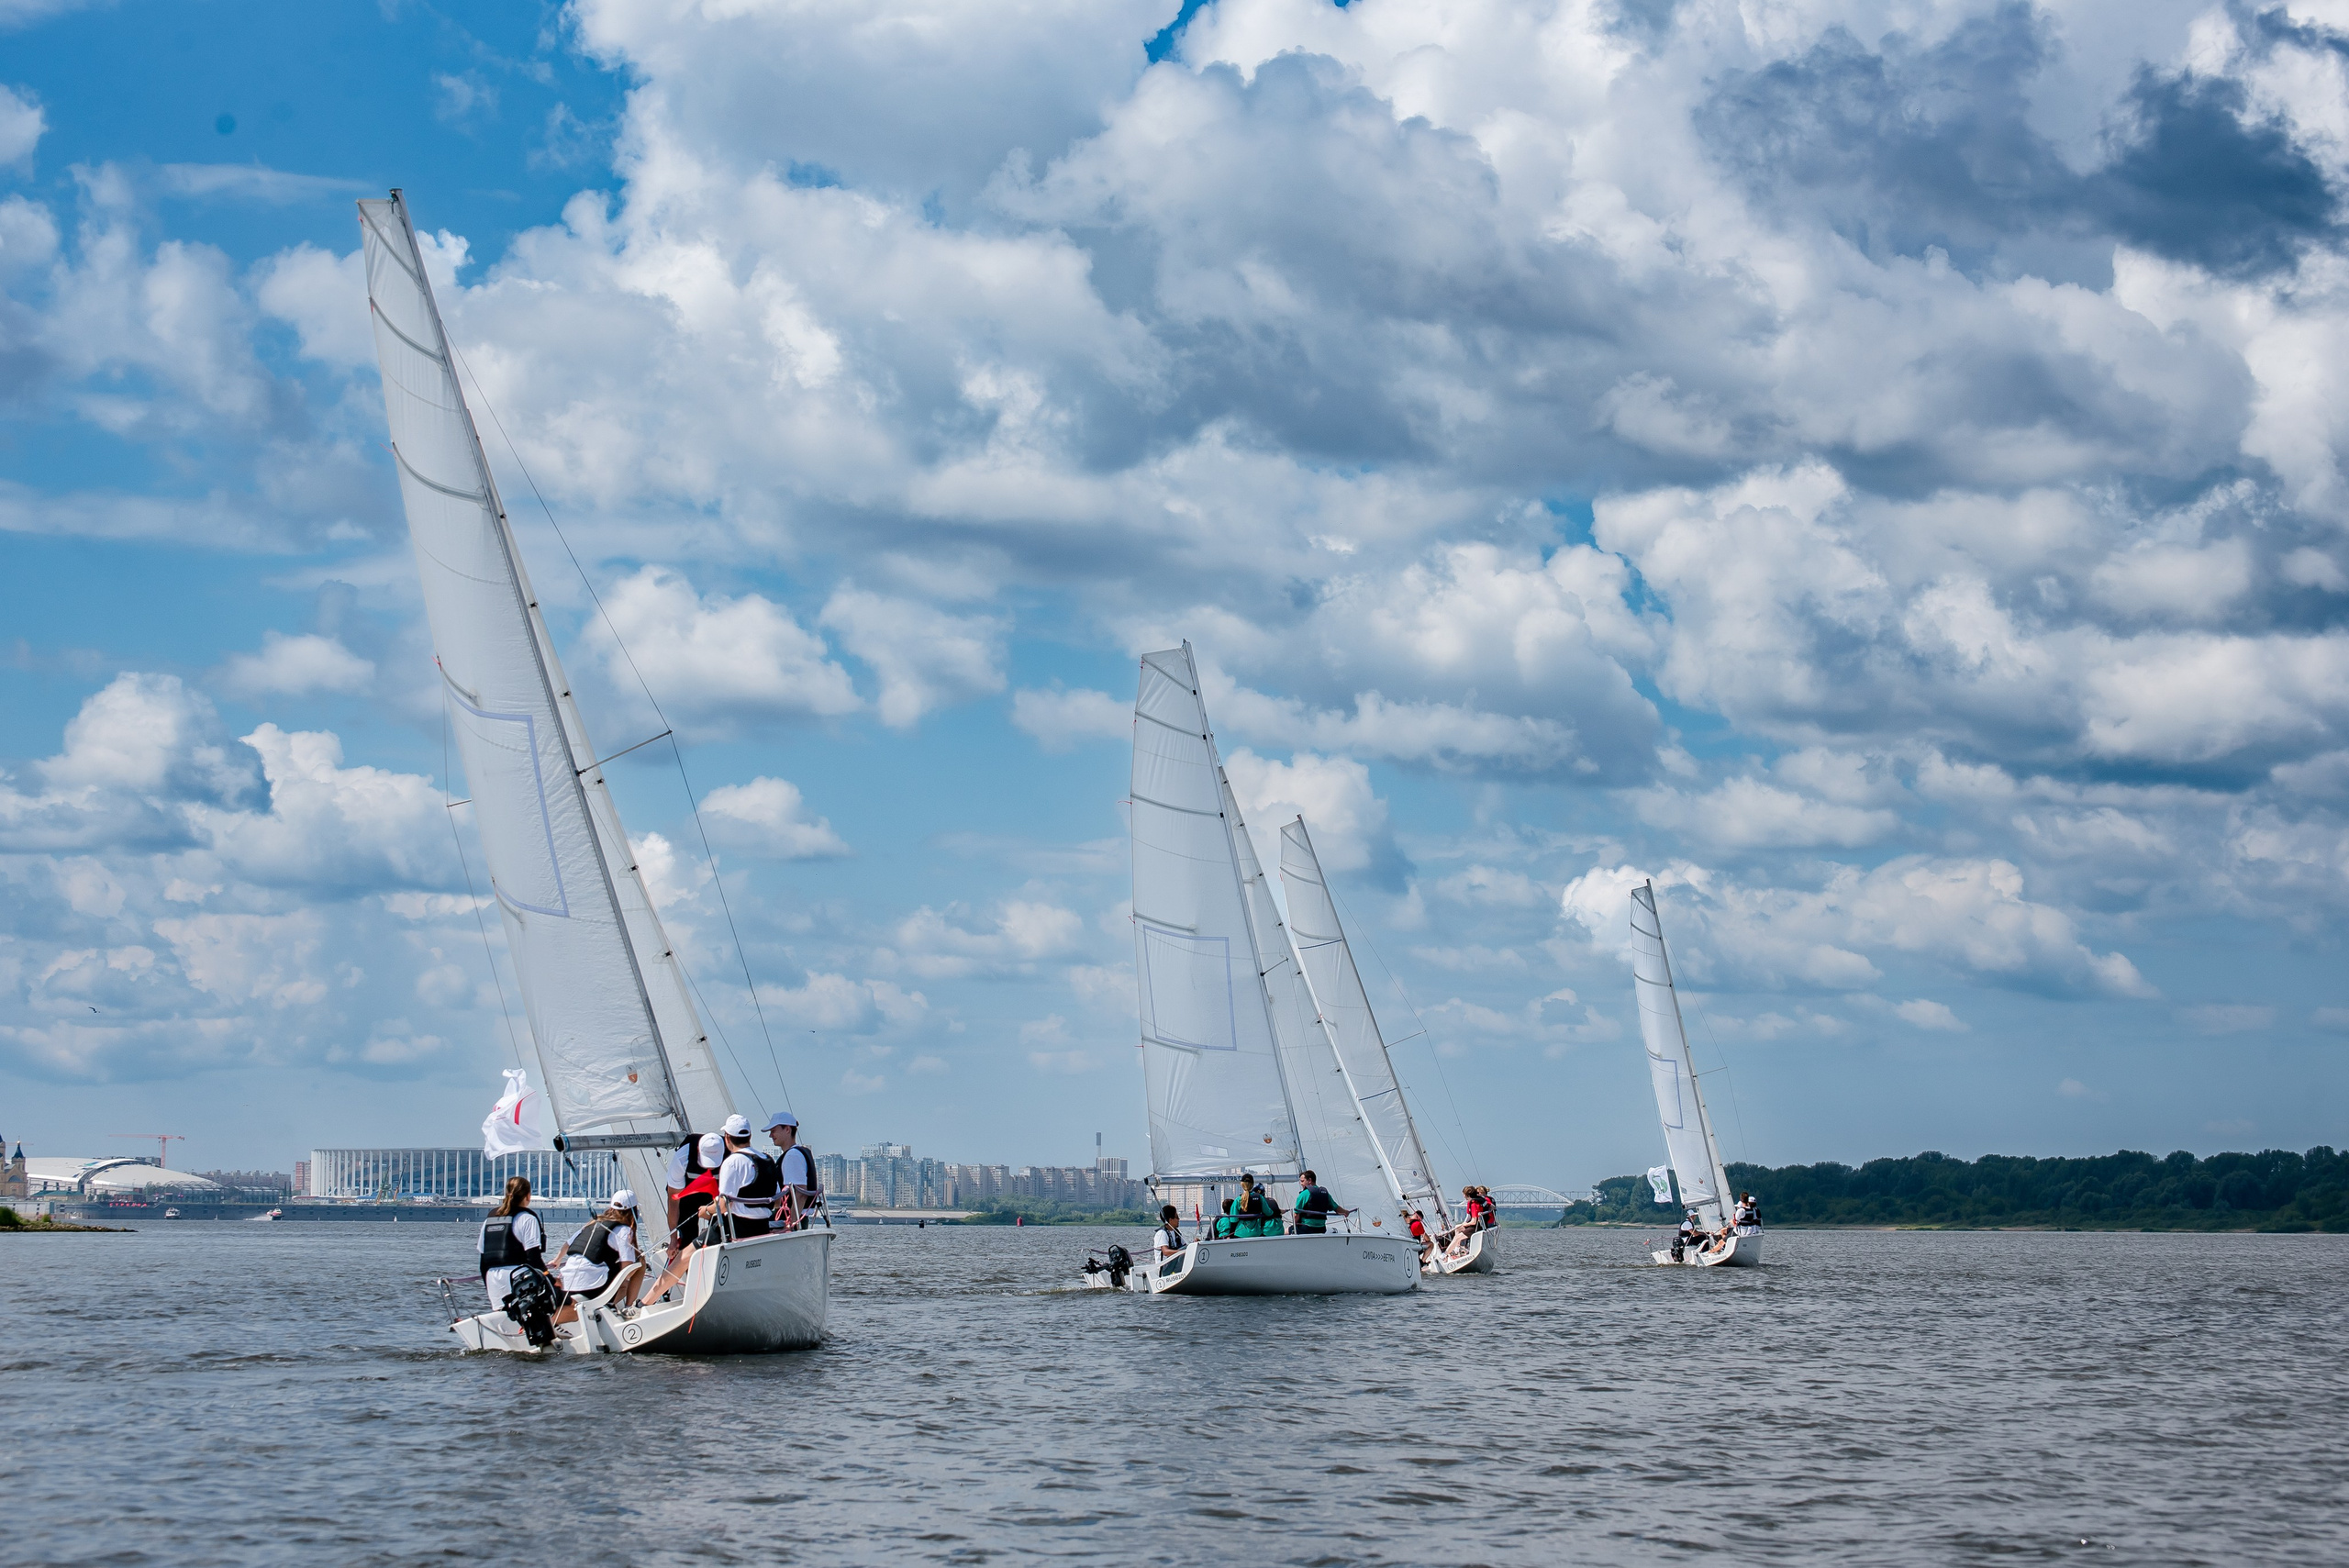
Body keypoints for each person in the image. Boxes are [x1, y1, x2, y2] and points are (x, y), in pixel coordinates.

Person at [550, 1191, 643, 1324]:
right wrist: (636, 1260)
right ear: (633, 1212)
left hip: (567, 1284)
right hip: (592, 1288)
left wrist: (556, 1260)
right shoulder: (624, 1230)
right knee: (641, 1261)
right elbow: (628, 1270)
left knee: (619, 1279)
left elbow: (566, 1246)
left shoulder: (591, 1224)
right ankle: (628, 1308)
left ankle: (609, 1305)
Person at [477, 1176, 545, 1312]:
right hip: (518, 1276)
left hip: (493, 1279)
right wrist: (548, 1278)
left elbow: (483, 1262)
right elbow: (534, 1258)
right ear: (528, 1196)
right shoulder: (527, 1219)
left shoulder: (488, 1221)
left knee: (503, 1314)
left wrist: (488, 1286)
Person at [713, 1113, 780, 1239]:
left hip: (736, 1230)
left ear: (727, 1137)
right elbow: (777, 1202)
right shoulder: (767, 1160)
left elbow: (723, 1207)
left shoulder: (732, 1162)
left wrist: (705, 1211)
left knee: (685, 1254)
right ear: (750, 1136)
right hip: (763, 1228)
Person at [664, 1129, 724, 1258]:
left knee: (720, 1231)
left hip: (716, 1194)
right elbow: (673, 1202)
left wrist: (711, 1211)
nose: (711, 1168)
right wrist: (673, 1238)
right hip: (688, 1194)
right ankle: (688, 1265)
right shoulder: (682, 1158)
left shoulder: (731, 1157)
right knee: (687, 1233)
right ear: (698, 1151)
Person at [764, 1110, 818, 1230]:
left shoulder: (792, 1156)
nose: (770, 1135)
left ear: (787, 1130)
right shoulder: (801, 1152)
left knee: (748, 1224)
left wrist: (791, 1226)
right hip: (795, 1217)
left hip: (793, 1219)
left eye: (773, 1131)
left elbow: (800, 1193)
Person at [1292, 1170, 1353, 1235]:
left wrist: (1293, 1226)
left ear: (1309, 1180)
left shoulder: (1304, 1194)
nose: (1301, 1184)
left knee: (1286, 1231)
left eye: (1302, 1181)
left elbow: (1296, 1215)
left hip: (1306, 1228)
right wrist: (1346, 1212)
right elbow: (1337, 1208)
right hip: (1321, 1229)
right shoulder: (1325, 1194)